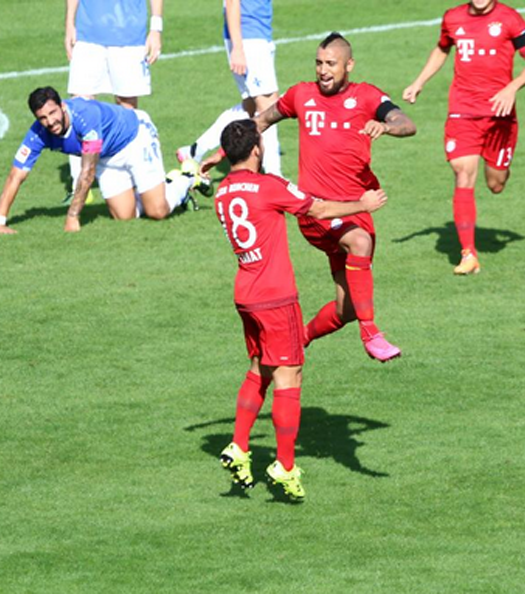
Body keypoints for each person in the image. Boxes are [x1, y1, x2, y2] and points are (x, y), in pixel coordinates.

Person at [208, 33, 416, 362]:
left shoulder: (367, 97)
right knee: (359, 243)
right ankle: (372, 334)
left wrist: (387, 127)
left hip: (354, 209)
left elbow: (406, 122)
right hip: (317, 211)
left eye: (330, 64)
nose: (322, 70)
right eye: (318, 63)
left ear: (349, 65)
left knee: (347, 308)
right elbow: (258, 122)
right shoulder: (301, 95)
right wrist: (222, 153)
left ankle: (301, 337)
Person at [214, 119, 387, 501]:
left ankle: (239, 446)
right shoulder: (269, 186)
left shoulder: (223, 193)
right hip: (276, 296)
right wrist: (364, 203)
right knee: (288, 377)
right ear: (256, 149)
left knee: (260, 366)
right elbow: (319, 208)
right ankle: (285, 467)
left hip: (245, 293)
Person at [403, 0, 525, 275]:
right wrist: (419, 82)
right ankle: (469, 254)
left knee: (496, 184)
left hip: (499, 115)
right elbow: (443, 48)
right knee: (463, 171)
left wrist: (512, 88)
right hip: (462, 112)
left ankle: (501, 168)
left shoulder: (510, 19)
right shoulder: (452, 18)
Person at [0, 87, 203, 234]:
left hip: (136, 139)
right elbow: (16, 176)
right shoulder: (38, 134)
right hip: (107, 156)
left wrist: (73, 215)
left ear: (62, 106)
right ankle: (154, 190)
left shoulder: (86, 117)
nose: (50, 122)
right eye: (42, 118)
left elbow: (87, 172)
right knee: (124, 217)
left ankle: (185, 179)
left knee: (157, 212)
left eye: (53, 113)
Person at [65, 0, 164, 197]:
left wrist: (156, 29)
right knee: (79, 108)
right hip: (87, 35)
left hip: (129, 36)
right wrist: (69, 23)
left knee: (127, 109)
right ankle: (79, 186)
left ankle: (131, 179)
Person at [177, 0, 282, 176]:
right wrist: (238, 48)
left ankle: (195, 150)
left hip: (256, 33)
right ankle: (275, 176)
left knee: (251, 106)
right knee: (268, 106)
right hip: (248, 37)